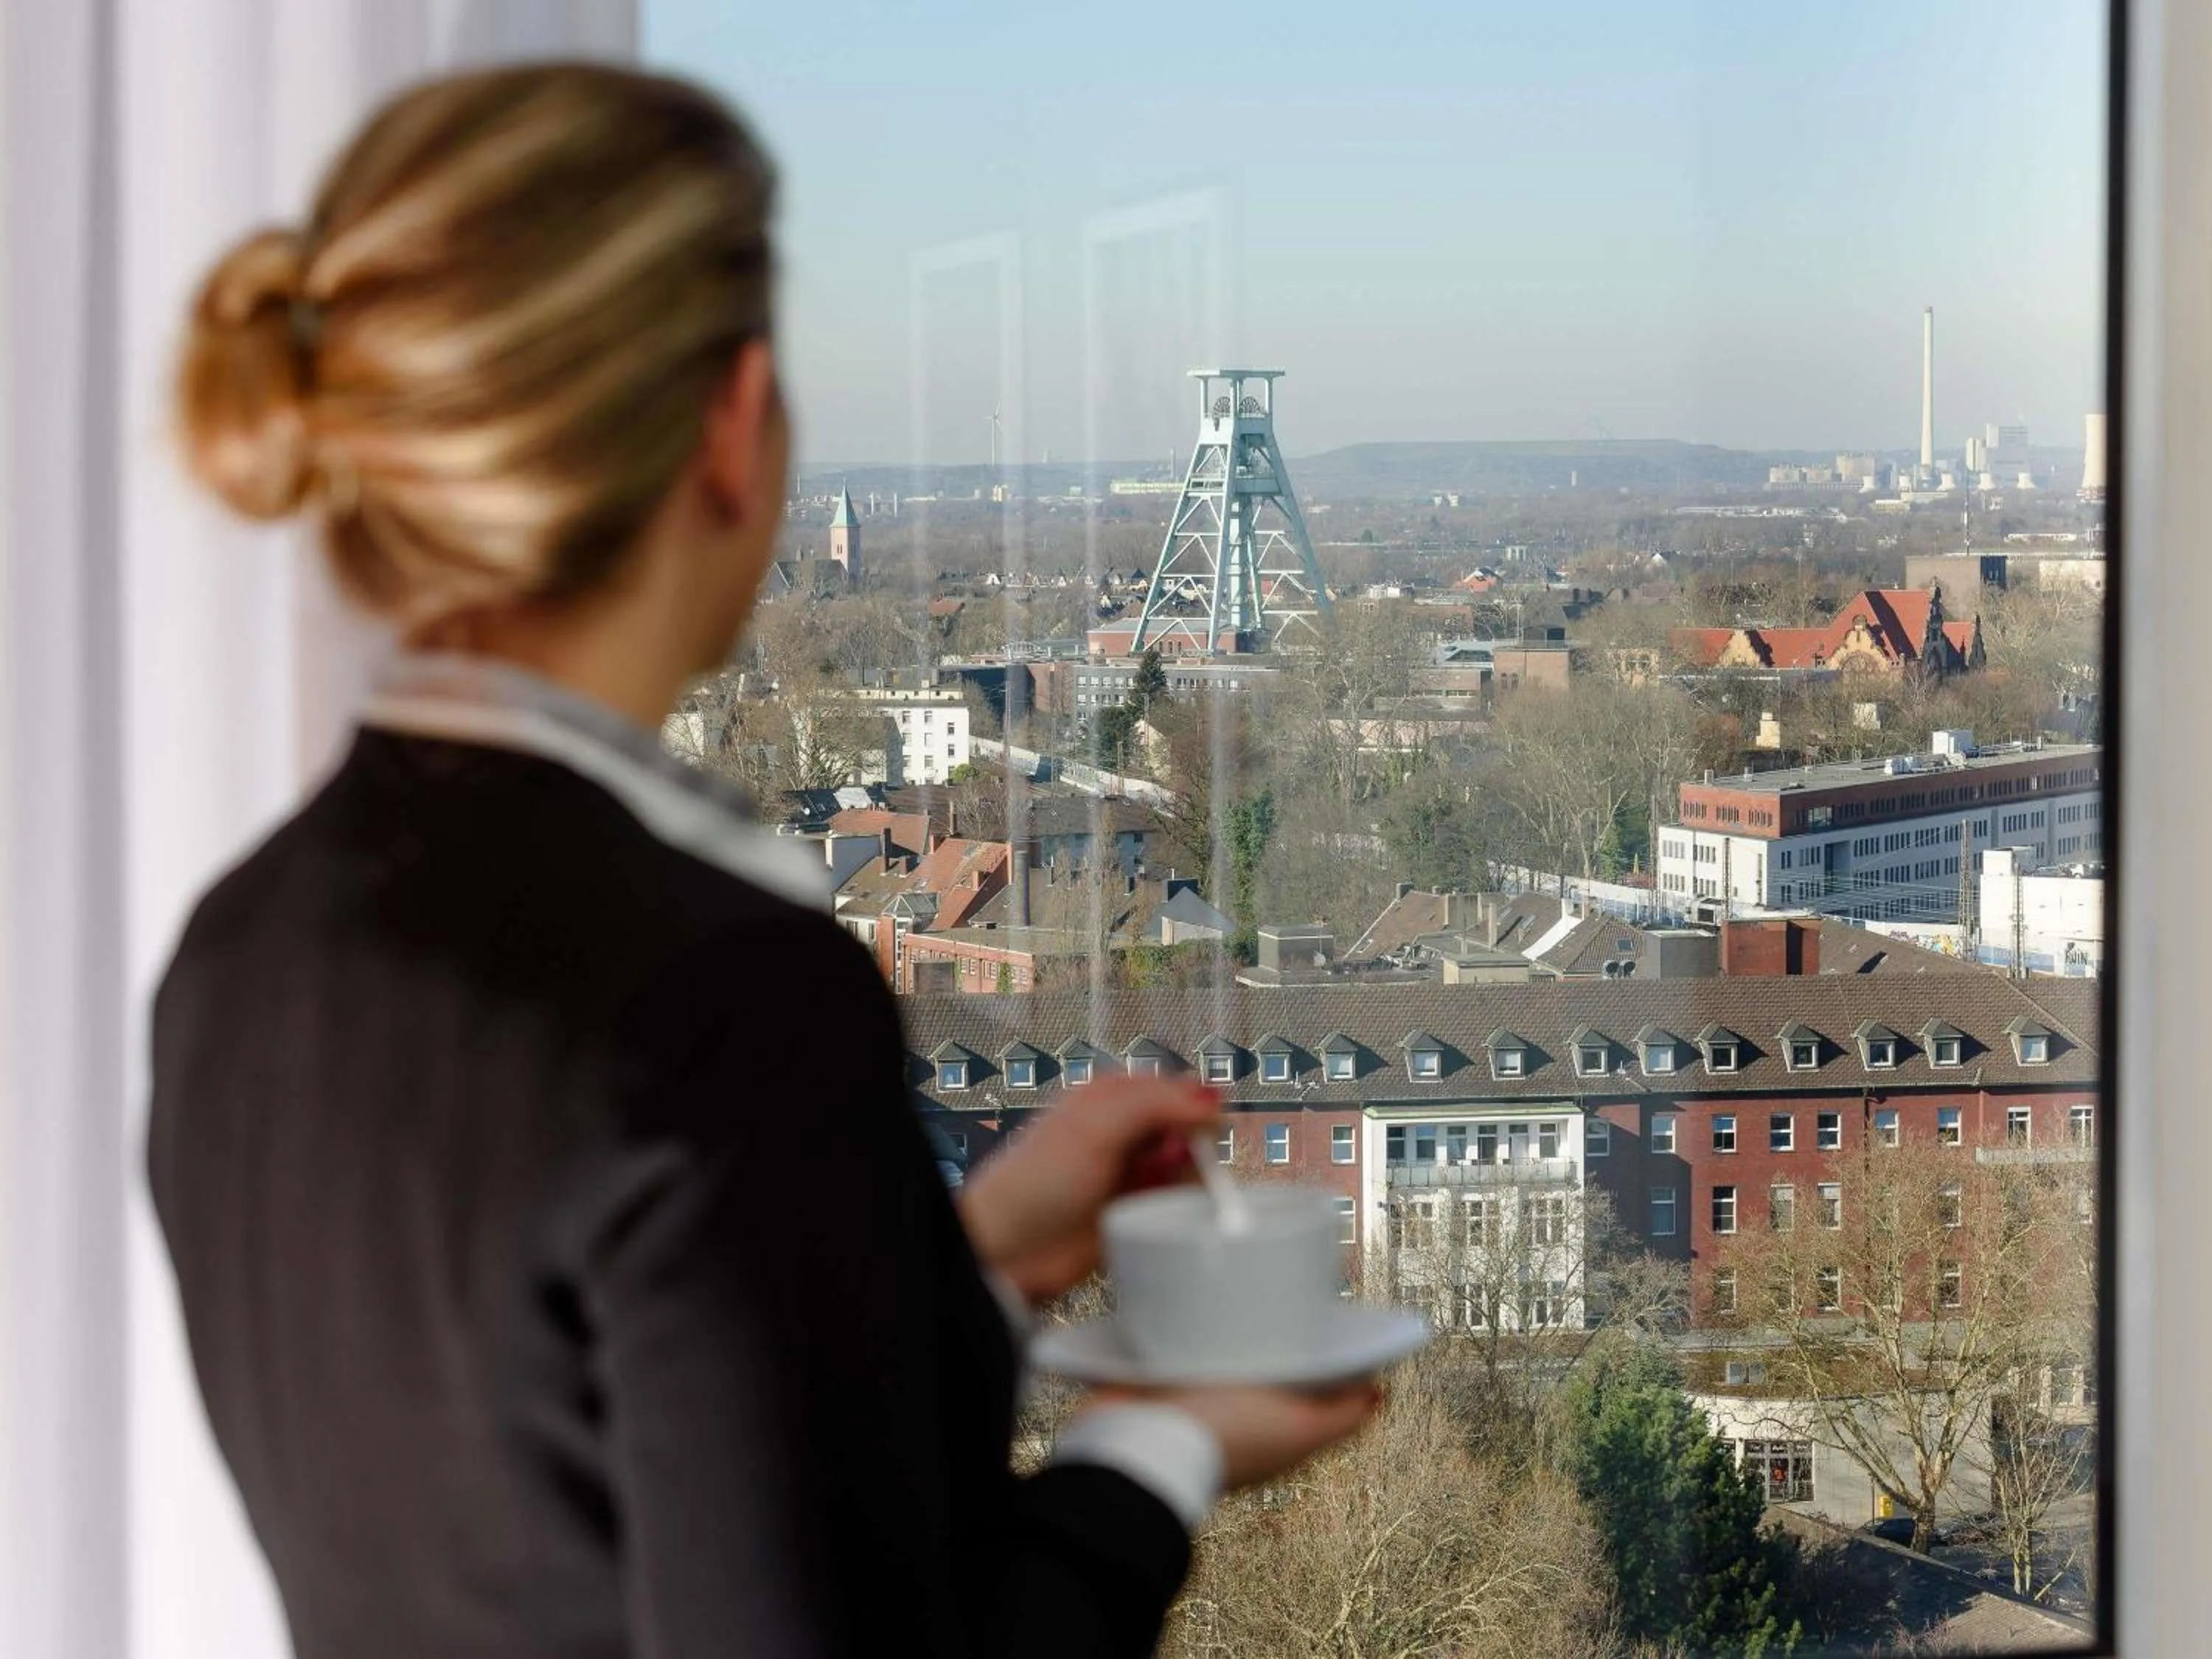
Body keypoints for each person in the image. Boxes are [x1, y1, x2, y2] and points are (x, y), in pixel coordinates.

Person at [148, 62, 1377, 1659]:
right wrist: (1157, 1441)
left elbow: (576, 1465)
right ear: (734, 427)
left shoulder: (242, 944)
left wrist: (967, 1263)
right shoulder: (723, 991)